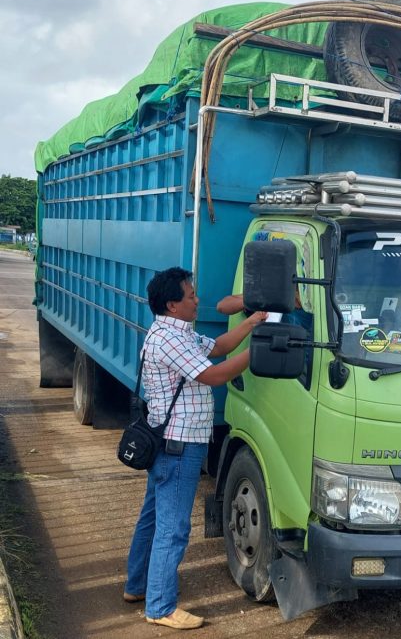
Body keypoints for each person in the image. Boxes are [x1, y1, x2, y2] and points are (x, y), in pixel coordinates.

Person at [124, 267, 266, 630]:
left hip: (170, 441)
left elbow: (218, 348)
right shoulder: (170, 340)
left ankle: (139, 586)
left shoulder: (176, 333)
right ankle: (160, 607)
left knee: (153, 518)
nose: (197, 299)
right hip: (178, 444)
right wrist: (262, 350)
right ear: (173, 304)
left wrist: (251, 325)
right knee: (173, 529)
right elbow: (214, 374)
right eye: (190, 295)